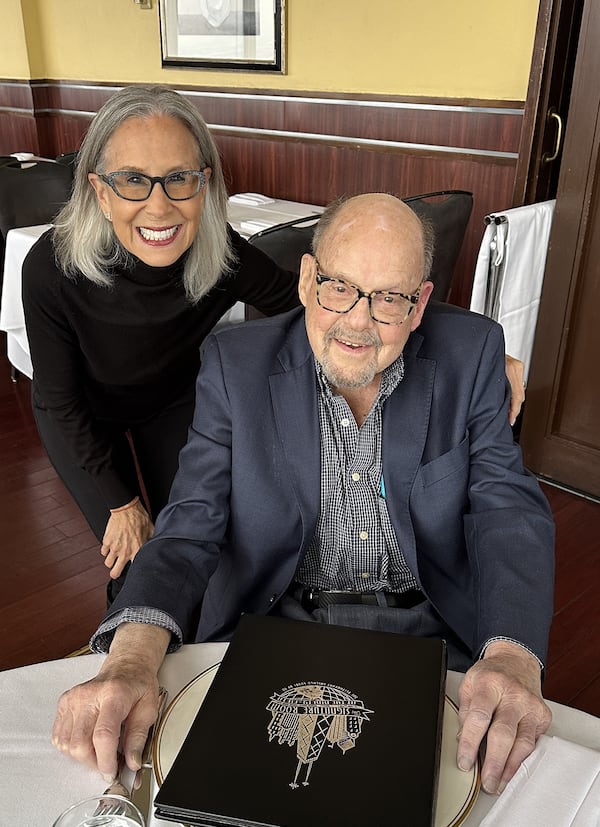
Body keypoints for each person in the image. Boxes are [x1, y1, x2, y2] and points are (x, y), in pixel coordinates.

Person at [52, 193, 554, 797]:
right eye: (339, 287)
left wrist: (513, 654)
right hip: (274, 624)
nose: (359, 322)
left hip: (432, 632)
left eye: (389, 298)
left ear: (419, 303)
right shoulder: (235, 367)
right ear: (308, 279)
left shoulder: (472, 354)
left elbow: (507, 505)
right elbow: (190, 525)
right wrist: (131, 657)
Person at [22, 84, 300, 602]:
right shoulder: (51, 266)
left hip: (168, 400)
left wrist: (479, 349)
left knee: (198, 544)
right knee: (134, 560)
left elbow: (310, 302)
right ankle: (128, 656)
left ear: (205, 186)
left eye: (178, 179)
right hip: (79, 414)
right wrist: (122, 505)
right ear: (100, 192)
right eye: (131, 181)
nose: (159, 207)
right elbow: (61, 401)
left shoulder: (219, 253)